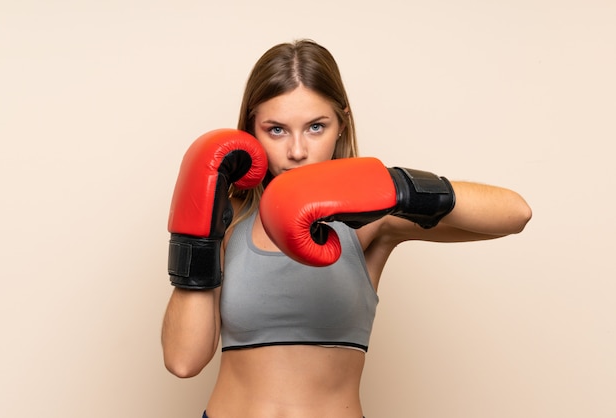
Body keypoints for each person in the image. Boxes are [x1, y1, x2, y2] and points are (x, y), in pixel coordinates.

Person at [161, 39, 532, 418]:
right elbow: (183, 361)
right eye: (276, 130)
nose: (297, 151)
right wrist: (198, 238)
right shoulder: (229, 218)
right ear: (251, 131)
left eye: (315, 127)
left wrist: (396, 188)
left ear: (342, 124)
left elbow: (515, 213)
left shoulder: (370, 218)